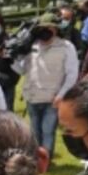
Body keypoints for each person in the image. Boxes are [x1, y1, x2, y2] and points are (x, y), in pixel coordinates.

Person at [13, 13, 79, 163]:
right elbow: (22, 70)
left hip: (53, 98)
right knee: (35, 132)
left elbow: (72, 74)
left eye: (49, 27)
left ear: (56, 29)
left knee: (48, 131)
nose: (46, 30)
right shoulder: (31, 46)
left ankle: (45, 161)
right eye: (42, 27)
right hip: (32, 96)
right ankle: (36, 160)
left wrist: (62, 95)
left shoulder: (66, 47)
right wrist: (12, 59)